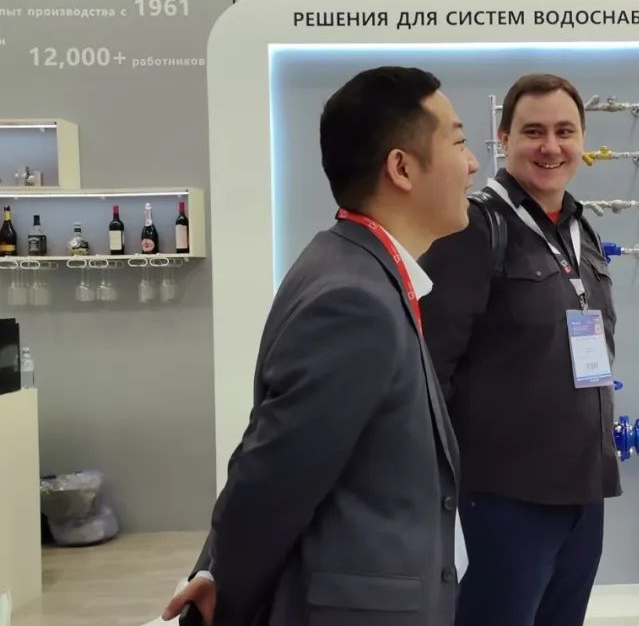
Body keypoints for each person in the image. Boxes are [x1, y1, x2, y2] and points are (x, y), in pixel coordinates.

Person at [160, 65, 479, 626]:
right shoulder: (354, 300)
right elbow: (274, 478)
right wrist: (222, 592)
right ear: (402, 168)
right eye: (458, 142)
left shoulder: (353, 267)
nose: (473, 164)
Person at [418, 73, 620, 626]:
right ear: (504, 138)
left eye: (564, 131)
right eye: (533, 132)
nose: (550, 147)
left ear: (582, 140)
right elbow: (429, 370)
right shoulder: (474, 230)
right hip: (508, 495)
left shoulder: (581, 231)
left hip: (585, 490)